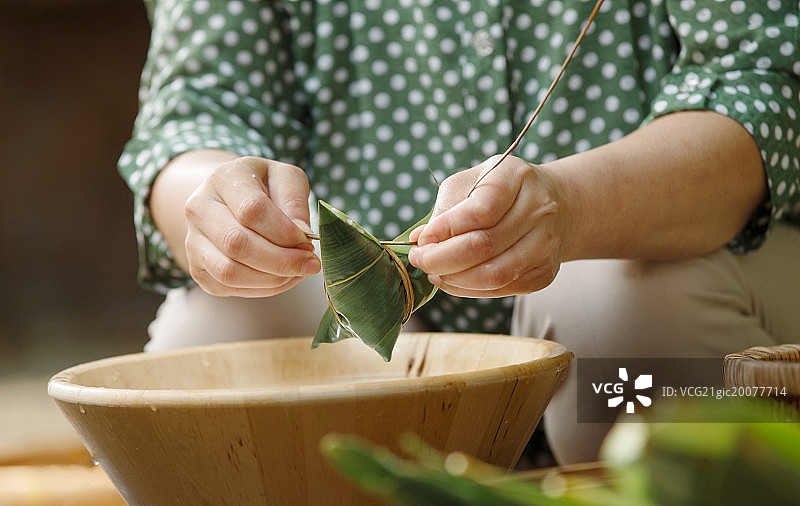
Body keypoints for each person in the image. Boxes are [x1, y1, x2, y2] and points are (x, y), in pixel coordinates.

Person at [119, 0, 800, 464]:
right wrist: (221, 210)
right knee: (209, 347)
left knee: (619, 321)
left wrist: (572, 207)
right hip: (388, 375)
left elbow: (761, 86)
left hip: (643, 341)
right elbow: (194, 114)